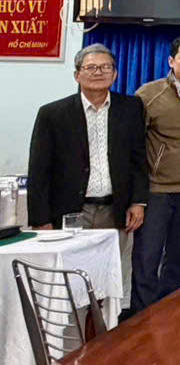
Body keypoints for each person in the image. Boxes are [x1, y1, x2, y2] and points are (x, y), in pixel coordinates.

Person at [27, 43, 147, 299]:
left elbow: (138, 159)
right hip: (70, 212)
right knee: (68, 281)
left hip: (115, 211)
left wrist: (138, 201)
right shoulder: (52, 114)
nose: (98, 72)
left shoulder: (131, 108)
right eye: (91, 67)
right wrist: (41, 220)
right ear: (77, 74)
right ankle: (72, 325)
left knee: (109, 280)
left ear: (115, 74)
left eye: (105, 67)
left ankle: (106, 324)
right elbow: (39, 170)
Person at [131, 36, 180, 311]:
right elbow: (132, 147)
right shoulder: (149, 95)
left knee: (178, 261)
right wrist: (136, 196)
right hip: (157, 192)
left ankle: (168, 316)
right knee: (147, 260)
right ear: (171, 61)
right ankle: (141, 320)